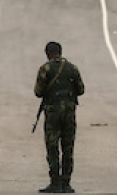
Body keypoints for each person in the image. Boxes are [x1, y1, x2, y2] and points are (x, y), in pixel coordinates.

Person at [34, 41, 85, 194]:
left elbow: (38, 91)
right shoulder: (72, 68)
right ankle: (66, 183)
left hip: (53, 113)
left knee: (52, 146)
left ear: (47, 54)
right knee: (68, 146)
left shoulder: (45, 68)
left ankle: (55, 182)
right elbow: (81, 89)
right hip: (69, 113)